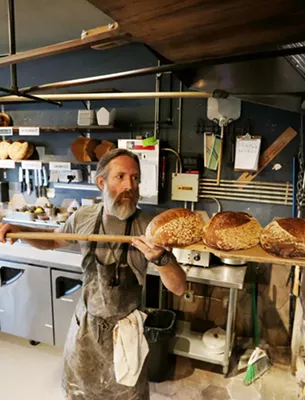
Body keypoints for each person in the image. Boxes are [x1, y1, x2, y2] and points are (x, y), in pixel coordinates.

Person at [0, 148, 187, 399]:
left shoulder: (148, 227)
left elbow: (179, 287)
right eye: (120, 177)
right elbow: (54, 241)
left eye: (134, 178)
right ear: (101, 182)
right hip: (85, 330)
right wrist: (18, 229)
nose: (129, 185)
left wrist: (161, 258)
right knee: (80, 393)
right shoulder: (84, 217)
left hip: (125, 335)